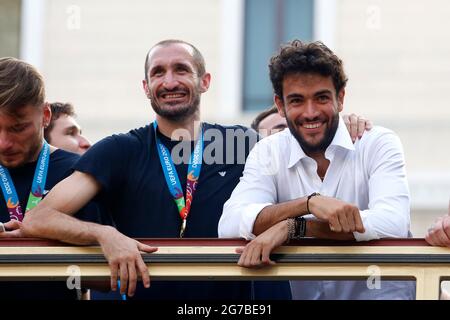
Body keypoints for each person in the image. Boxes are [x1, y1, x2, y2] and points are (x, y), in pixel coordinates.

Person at [19, 39, 369, 300]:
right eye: (158, 72)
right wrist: (104, 235)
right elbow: (39, 219)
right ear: (146, 88)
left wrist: (347, 122)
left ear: (205, 81)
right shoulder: (121, 149)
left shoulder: (244, 143)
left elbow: (309, 138)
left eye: (181, 70)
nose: (169, 81)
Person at [219, 40, 415, 299]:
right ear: (280, 105)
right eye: (297, 100)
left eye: (321, 98)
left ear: (340, 98)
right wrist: (309, 204)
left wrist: (293, 228)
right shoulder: (268, 151)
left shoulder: (378, 142)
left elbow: (392, 224)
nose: (310, 112)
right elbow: (231, 224)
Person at [0, 57, 101, 299]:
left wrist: (57, 234)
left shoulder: (78, 173)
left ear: (45, 115)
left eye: (17, 128)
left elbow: (105, 279)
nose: (3, 143)